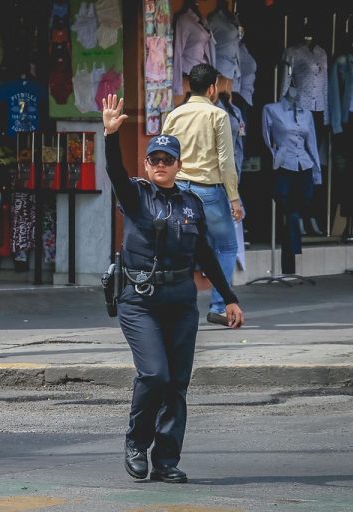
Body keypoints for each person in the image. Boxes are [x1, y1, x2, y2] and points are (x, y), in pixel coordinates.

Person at [102, 94, 244, 483]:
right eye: (155, 160)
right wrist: (111, 136)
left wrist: (228, 298)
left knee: (177, 383)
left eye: (168, 160)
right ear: (147, 165)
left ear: (179, 165)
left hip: (180, 300)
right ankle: (136, 442)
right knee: (155, 375)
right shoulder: (135, 196)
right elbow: (114, 171)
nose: (161, 166)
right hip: (140, 299)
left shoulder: (190, 203)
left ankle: (166, 460)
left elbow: (205, 254)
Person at [162, 64, 243, 327]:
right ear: (212, 89)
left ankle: (171, 304)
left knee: (178, 247)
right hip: (208, 192)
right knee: (226, 246)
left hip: (179, 190)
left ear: (189, 87)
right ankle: (219, 305)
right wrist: (234, 197)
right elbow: (226, 161)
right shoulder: (218, 116)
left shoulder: (175, 115)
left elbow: (163, 153)